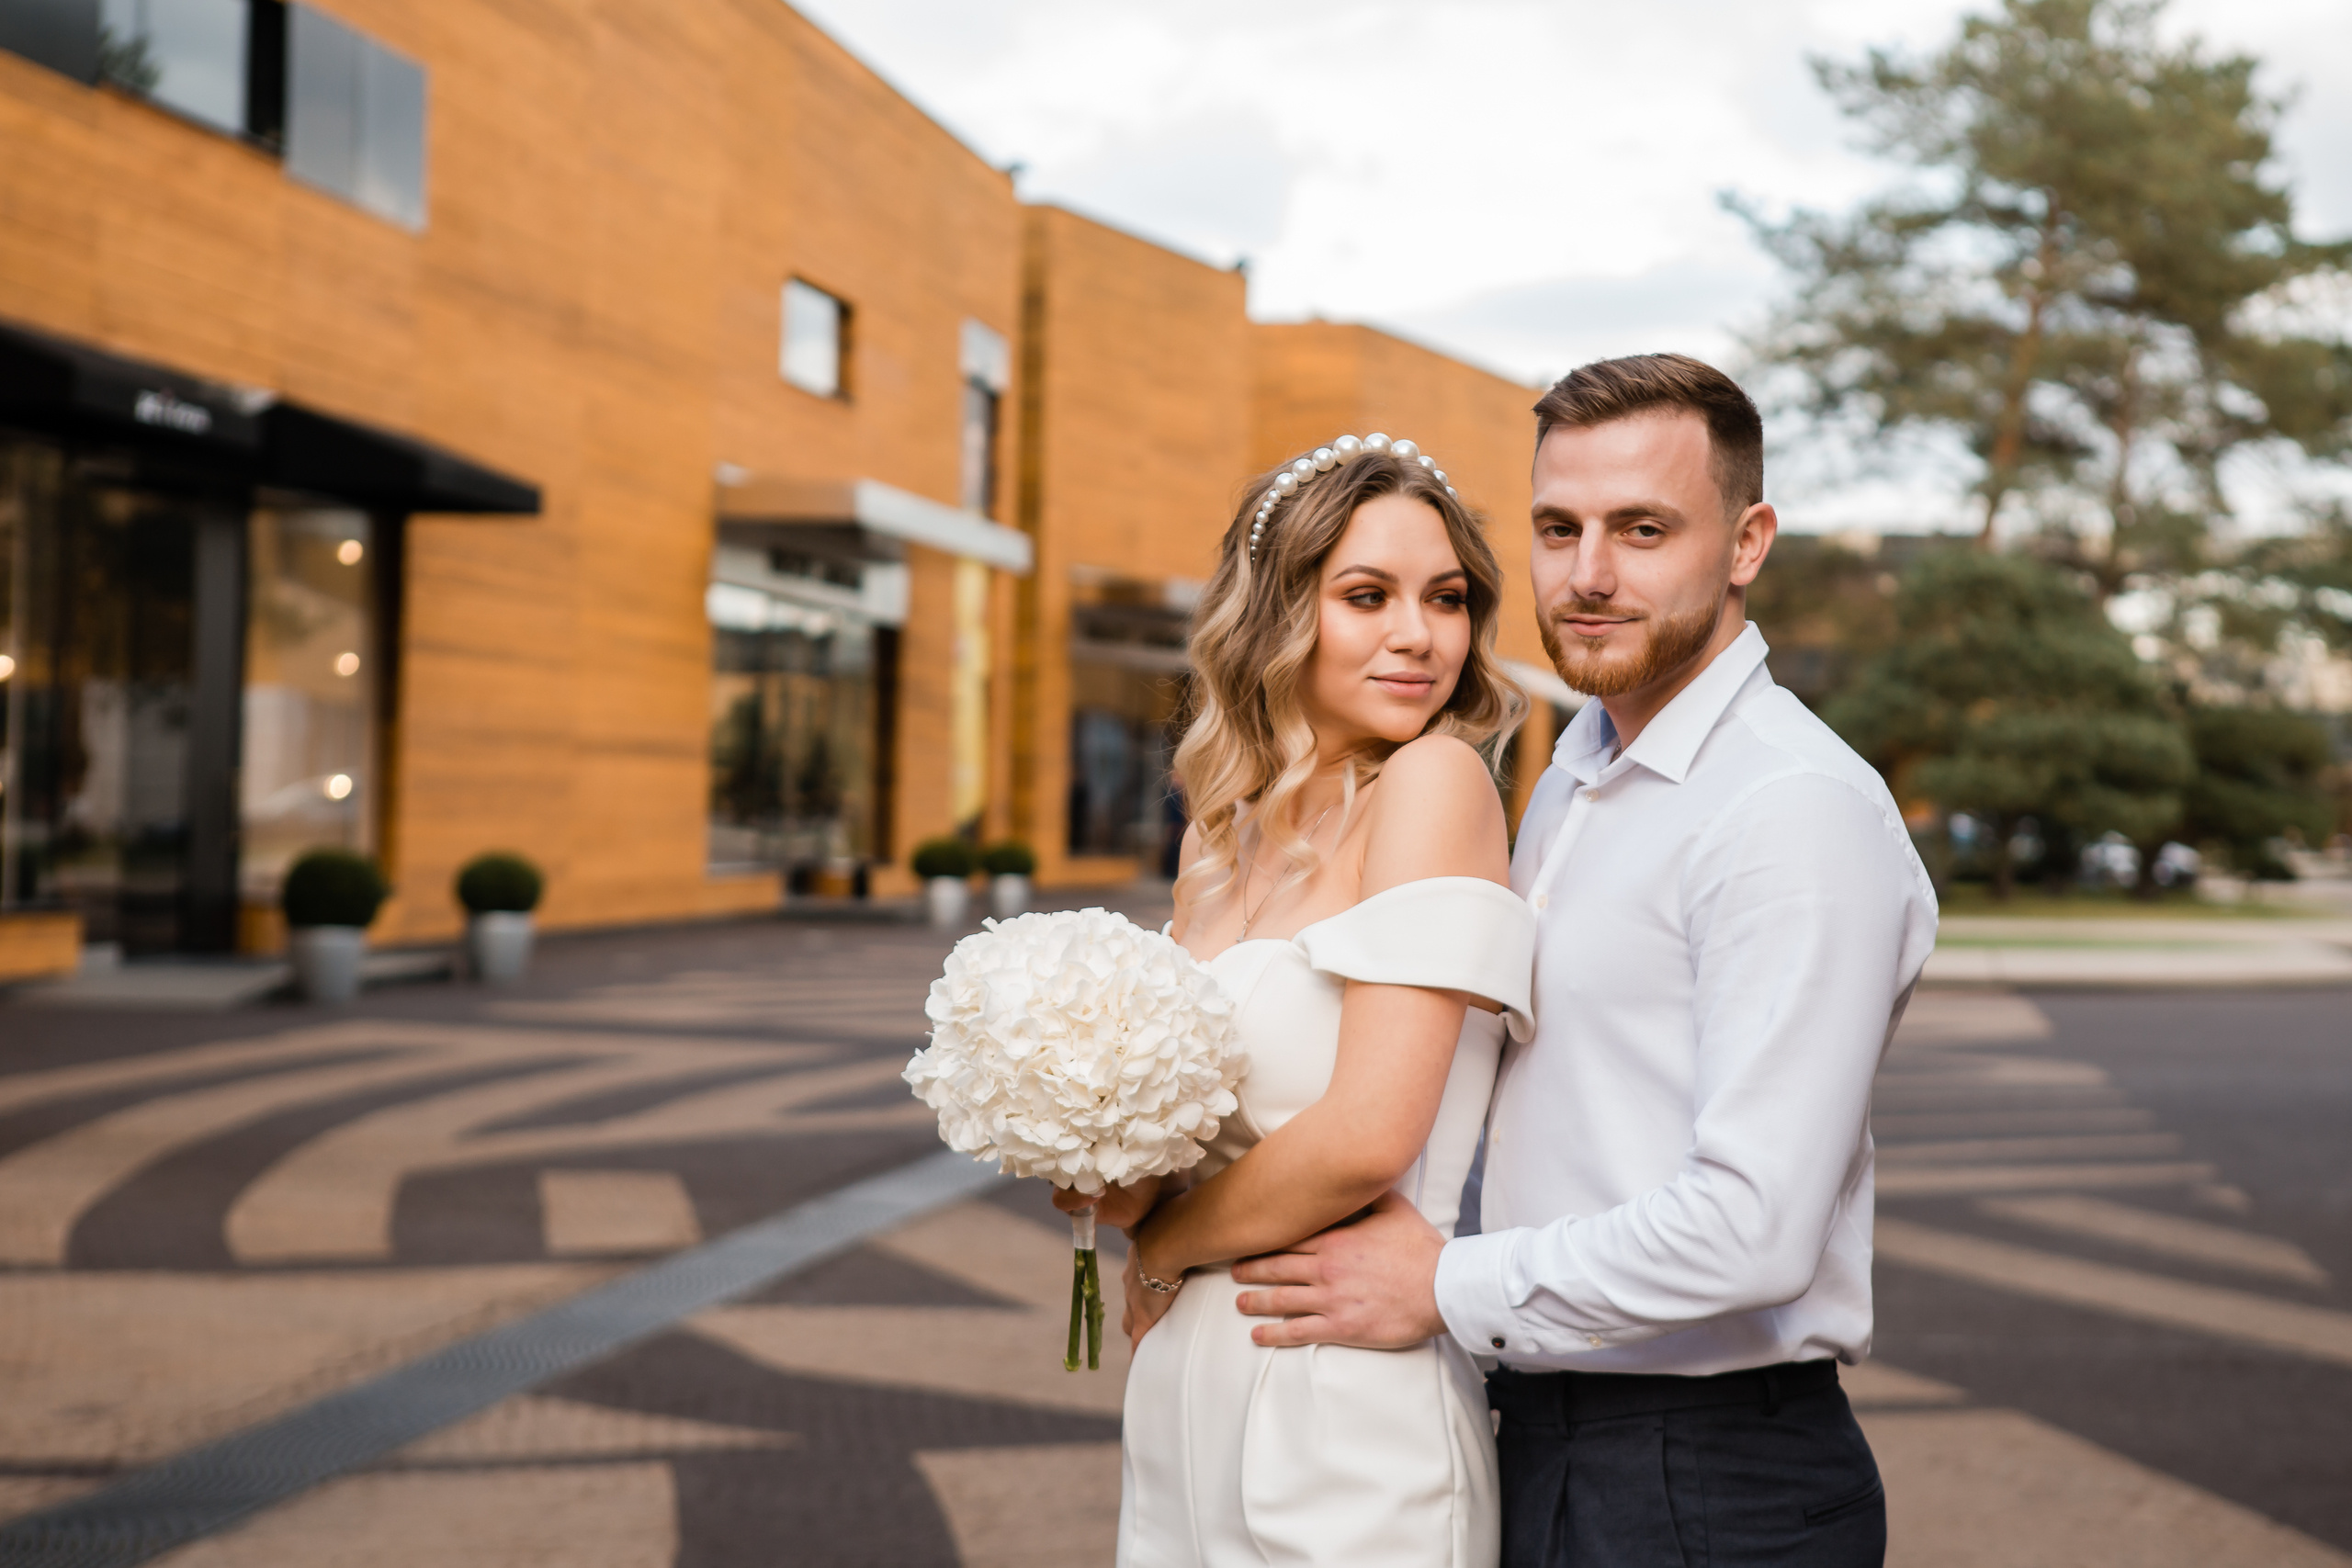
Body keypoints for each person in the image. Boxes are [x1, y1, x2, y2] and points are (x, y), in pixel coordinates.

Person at [1229, 355, 1939, 1567]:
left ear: (1748, 543)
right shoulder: (1575, 773)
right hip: (1541, 1432)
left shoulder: (1790, 807)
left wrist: (1442, 1284)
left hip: (1708, 1478)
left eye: (1642, 529)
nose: (1588, 573)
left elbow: (1754, 1226)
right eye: (1559, 528)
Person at [1057, 434, 1535, 1567]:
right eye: (1367, 597)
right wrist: (1075, 1137)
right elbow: (1150, 1184)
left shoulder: (1433, 785)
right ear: (1276, 614)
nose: (1420, 635)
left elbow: (1368, 1135)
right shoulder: (1216, 844)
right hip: (1184, 1381)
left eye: (1446, 599)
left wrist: (1164, 1251)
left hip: (1344, 1390)